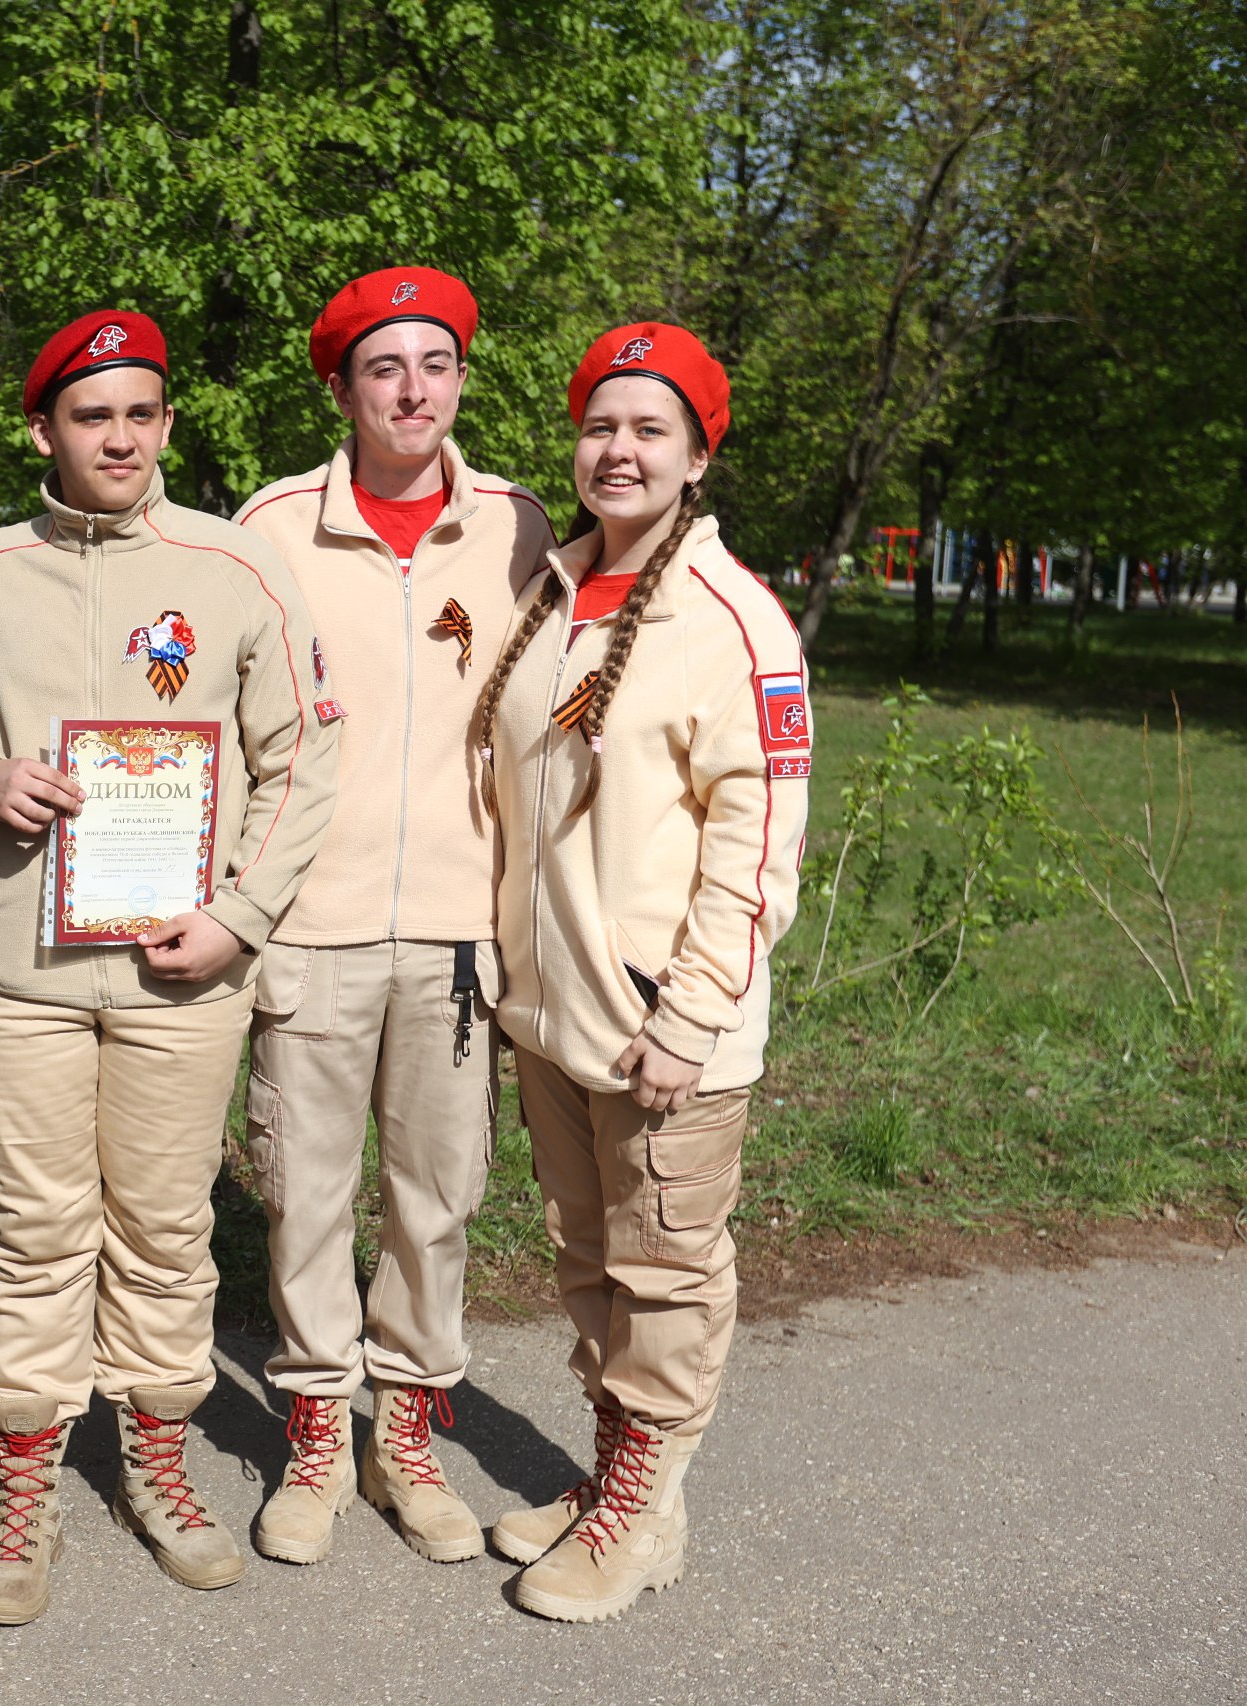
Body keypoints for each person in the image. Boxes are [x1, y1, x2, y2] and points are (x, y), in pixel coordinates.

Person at [0, 309, 338, 1625]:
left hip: (182, 970)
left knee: (164, 1227)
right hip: (24, 972)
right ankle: (27, 1477)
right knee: (34, 1230)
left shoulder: (234, 569)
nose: (118, 434)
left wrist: (241, 914)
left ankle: (156, 1455)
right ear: (45, 428)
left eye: (140, 412)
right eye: (91, 413)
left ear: (166, 424)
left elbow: (300, 756)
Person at [473, 322, 808, 1622]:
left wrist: (692, 1013)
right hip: (555, 1013)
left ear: (698, 456)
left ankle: (645, 1514)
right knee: (588, 1254)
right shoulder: (557, 590)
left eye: (649, 429)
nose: (618, 449)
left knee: (664, 1266)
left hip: (667, 1024)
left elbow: (758, 845)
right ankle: (620, 1466)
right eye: (602, 425)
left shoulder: (733, 621)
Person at [229, 267, 554, 1566]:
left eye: (435, 363)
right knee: (305, 1193)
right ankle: (315, 1427)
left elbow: (562, 738)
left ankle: (404, 1435)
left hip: (461, 935)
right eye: (384, 368)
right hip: (309, 924)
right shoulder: (271, 529)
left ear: (463, 377)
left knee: (436, 1196)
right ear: (343, 387)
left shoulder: (524, 532)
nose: (412, 389)